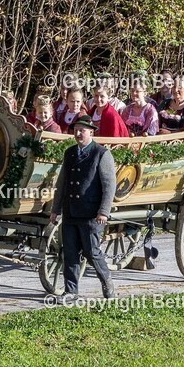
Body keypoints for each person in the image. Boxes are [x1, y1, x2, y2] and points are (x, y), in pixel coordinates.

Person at [49, 115, 116, 302]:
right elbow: (62, 183)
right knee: (70, 253)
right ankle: (71, 291)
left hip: (91, 214)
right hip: (70, 212)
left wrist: (104, 211)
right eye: (76, 129)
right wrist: (55, 209)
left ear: (91, 132)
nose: (78, 133)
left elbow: (109, 185)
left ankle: (107, 280)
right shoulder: (70, 152)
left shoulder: (101, 153)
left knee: (92, 252)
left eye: (82, 130)